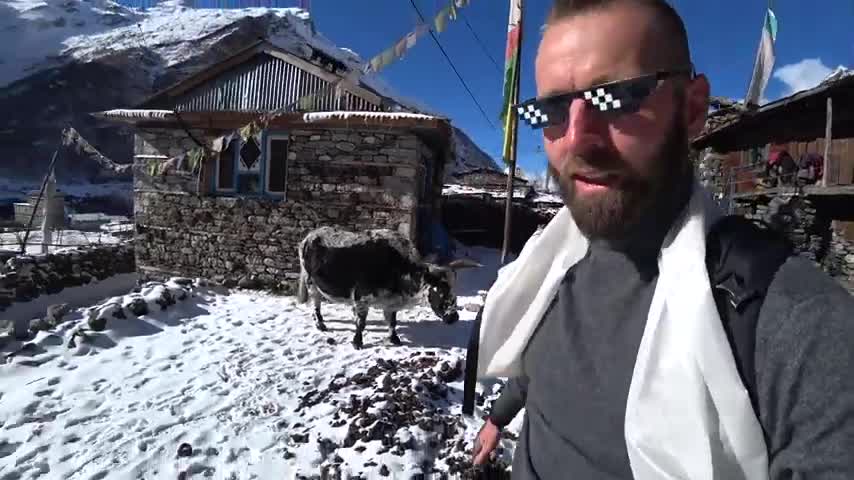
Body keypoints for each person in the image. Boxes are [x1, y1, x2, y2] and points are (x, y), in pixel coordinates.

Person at [469, 0, 854, 478]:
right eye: (552, 109)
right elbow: (540, 362)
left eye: (618, 96)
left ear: (692, 110)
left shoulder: (793, 321)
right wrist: (498, 416)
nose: (578, 139)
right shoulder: (549, 264)